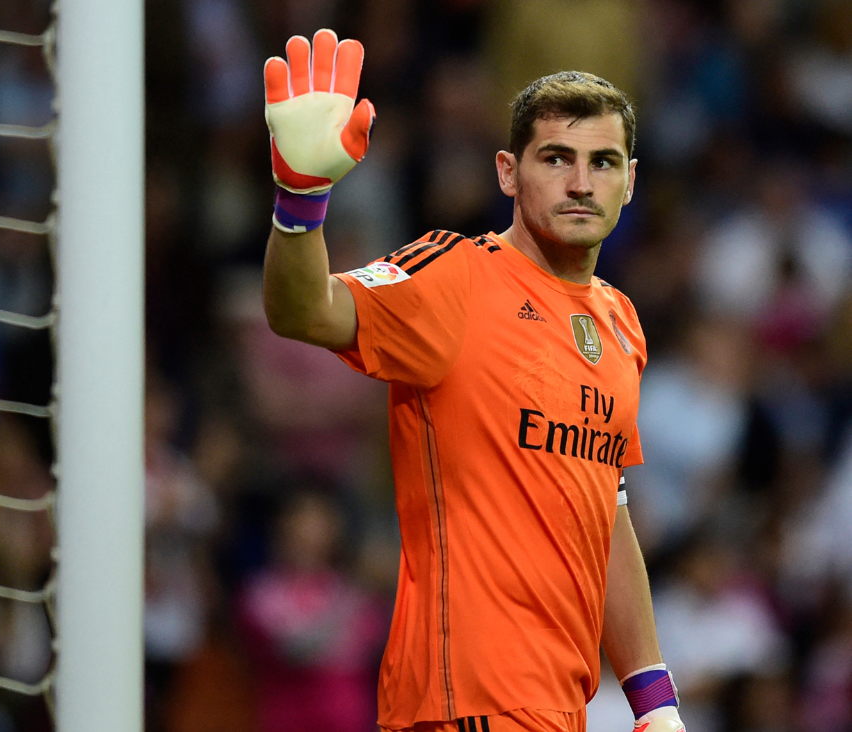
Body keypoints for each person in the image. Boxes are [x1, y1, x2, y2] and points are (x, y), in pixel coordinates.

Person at [260, 29, 683, 732]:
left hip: (561, 707)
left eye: (603, 162)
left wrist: (653, 698)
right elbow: (302, 311)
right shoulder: (454, 276)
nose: (582, 183)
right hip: (464, 702)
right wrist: (300, 197)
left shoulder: (621, 323)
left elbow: (605, 511)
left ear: (630, 180)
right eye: (556, 159)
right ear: (507, 172)